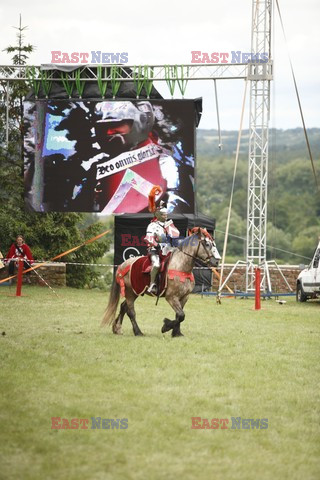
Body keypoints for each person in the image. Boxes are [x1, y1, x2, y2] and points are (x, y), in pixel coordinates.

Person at [144, 186, 180, 294]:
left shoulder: (168, 224)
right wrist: (157, 244)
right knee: (156, 265)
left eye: (166, 214)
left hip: (168, 249)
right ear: (158, 215)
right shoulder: (152, 226)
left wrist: (170, 228)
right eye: (164, 215)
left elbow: (175, 235)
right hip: (155, 250)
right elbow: (148, 238)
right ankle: (152, 285)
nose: (166, 216)